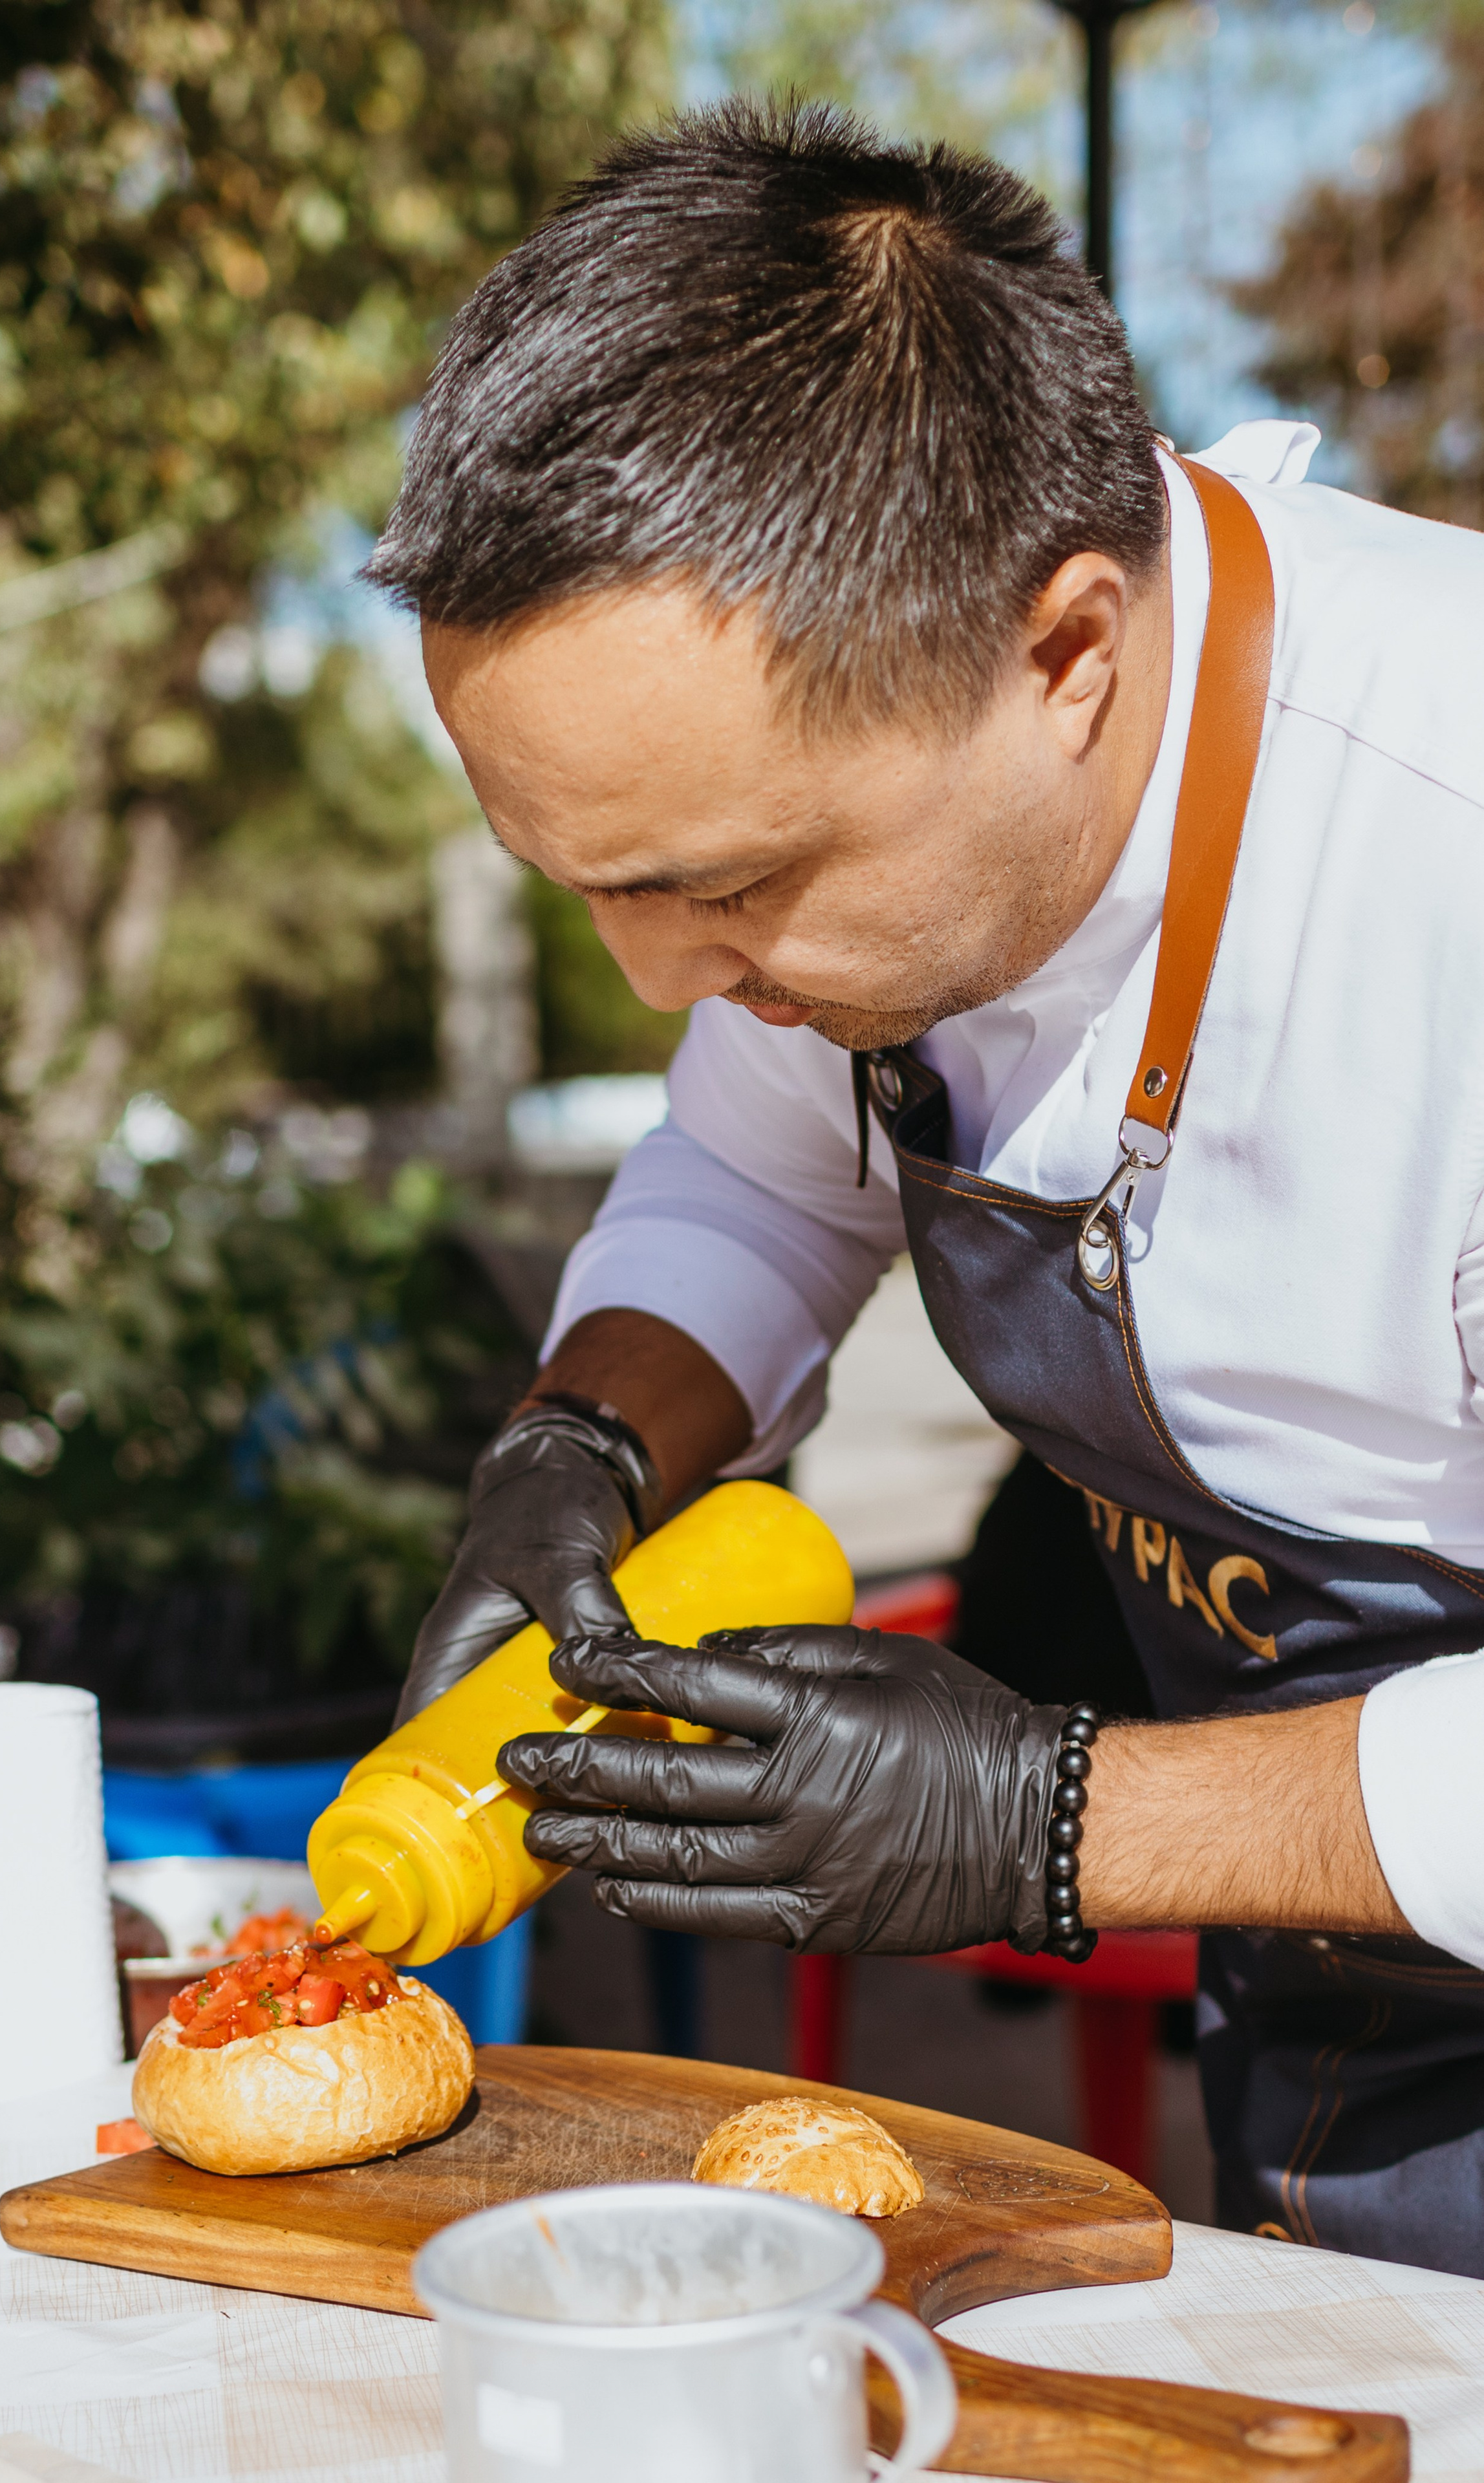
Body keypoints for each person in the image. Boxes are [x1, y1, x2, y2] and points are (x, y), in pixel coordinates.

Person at [366, 99, 1484, 2270]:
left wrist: (1059, 1815)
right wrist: (585, 1439)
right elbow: (752, 1175)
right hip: (1345, 2014)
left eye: (731, 887)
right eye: (592, 889)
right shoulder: (910, 823)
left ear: (1068, 652)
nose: (665, 977)